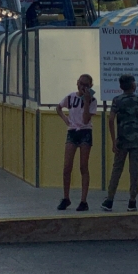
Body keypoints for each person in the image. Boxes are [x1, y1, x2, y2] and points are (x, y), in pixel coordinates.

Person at [101, 74, 138, 212]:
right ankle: (132, 201)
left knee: (117, 169)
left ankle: (110, 200)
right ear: (133, 85)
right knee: (134, 171)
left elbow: (111, 120)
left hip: (122, 140)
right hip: (137, 140)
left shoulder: (117, 100)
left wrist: (113, 140)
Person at [55, 74, 97, 211]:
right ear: (77, 83)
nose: (82, 87)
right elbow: (58, 107)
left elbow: (85, 120)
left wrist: (87, 102)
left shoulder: (92, 100)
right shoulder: (70, 97)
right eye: (81, 84)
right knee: (67, 166)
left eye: (86, 85)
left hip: (85, 131)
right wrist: (65, 119)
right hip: (72, 131)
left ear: (90, 86)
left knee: (83, 166)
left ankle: (83, 200)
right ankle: (66, 197)